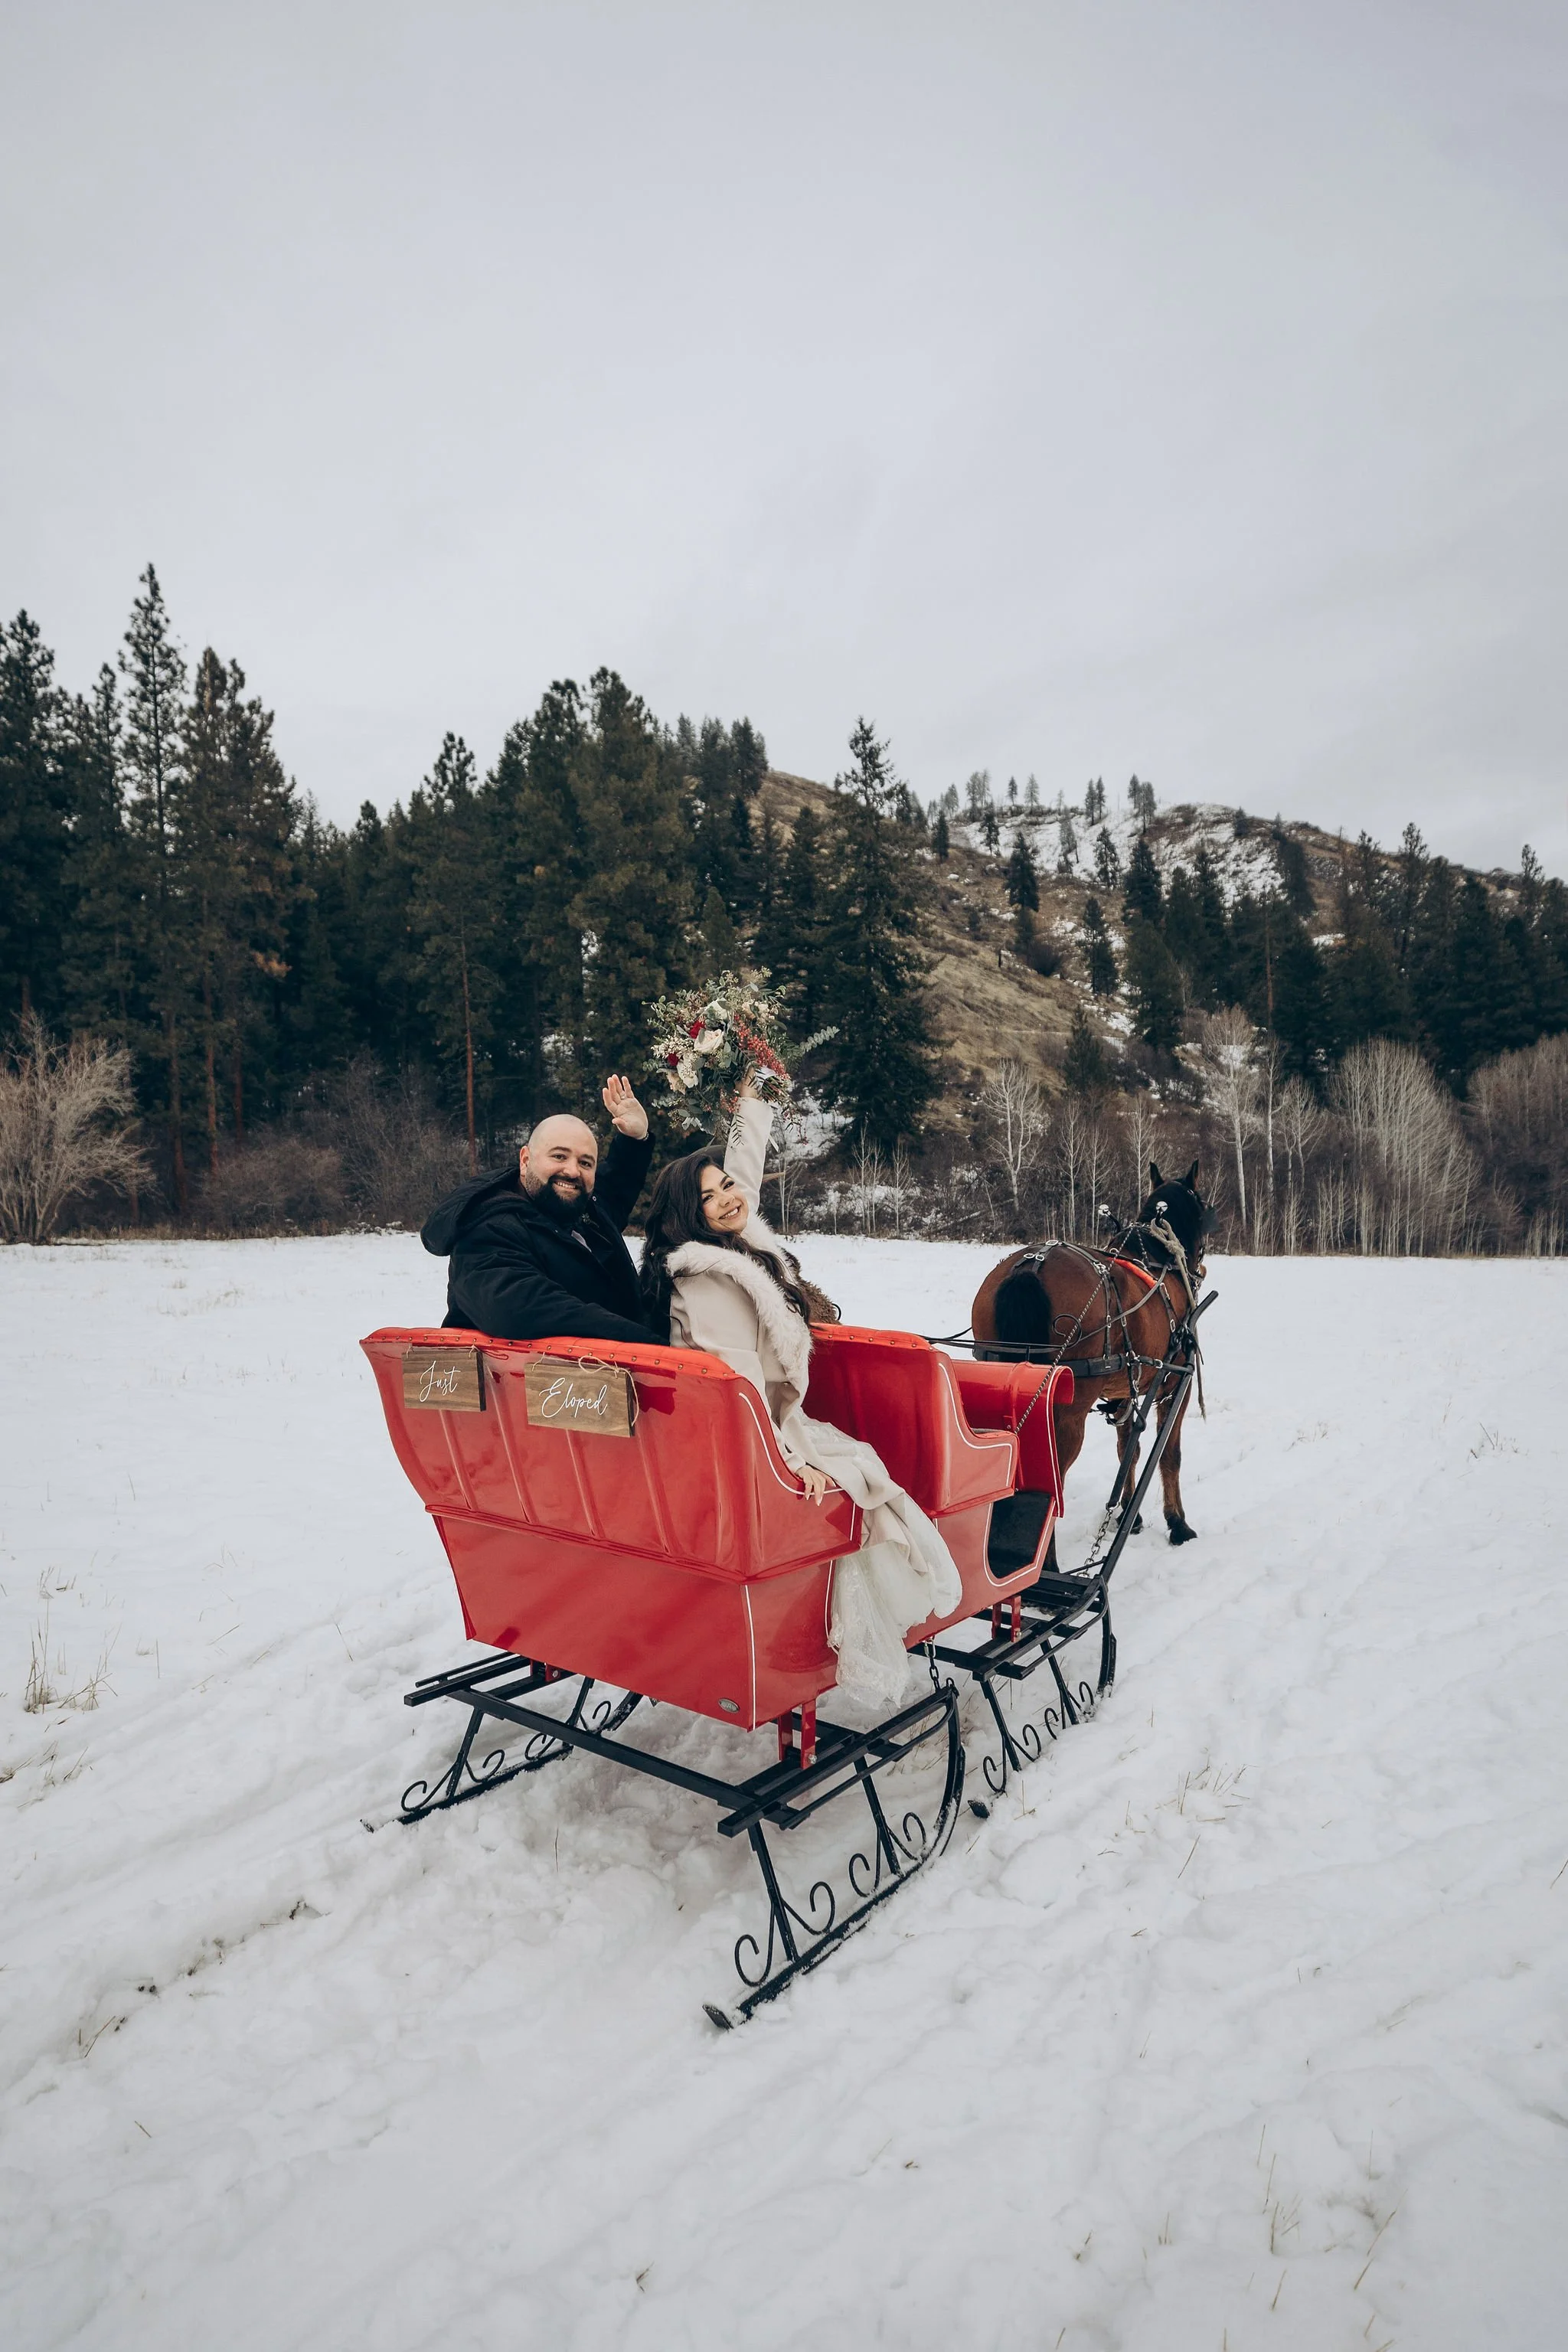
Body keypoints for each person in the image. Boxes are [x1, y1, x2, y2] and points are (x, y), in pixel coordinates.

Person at [639, 1078, 962, 1709]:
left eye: (727, 1185)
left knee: (862, 1463)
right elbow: (734, 1383)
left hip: (771, 1419)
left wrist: (754, 1102)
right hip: (752, 1436)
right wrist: (790, 1460)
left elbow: (743, 1182)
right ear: (688, 1214)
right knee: (860, 1474)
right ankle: (832, 1631)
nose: (728, 1199)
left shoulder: (732, 1248)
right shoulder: (710, 1280)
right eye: (709, 1197)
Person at [421, 1076, 656, 1345]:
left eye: (585, 1163)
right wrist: (645, 1342)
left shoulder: (584, 1213)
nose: (572, 1171)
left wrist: (634, 1139)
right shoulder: (488, 1229)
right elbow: (520, 1308)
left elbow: (616, 1185)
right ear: (525, 1160)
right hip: (537, 1373)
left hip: (612, 1368)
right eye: (559, 1156)